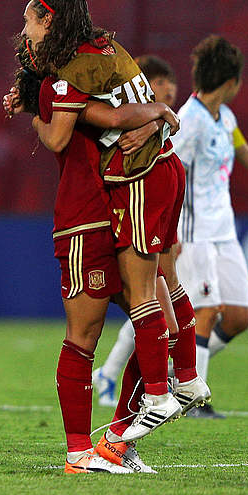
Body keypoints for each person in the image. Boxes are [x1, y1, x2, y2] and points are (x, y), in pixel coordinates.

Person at [18, 0, 206, 443]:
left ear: (48, 22)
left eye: (28, 20)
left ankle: (150, 403)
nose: (23, 31)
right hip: (161, 170)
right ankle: (173, 389)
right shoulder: (106, 47)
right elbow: (121, 112)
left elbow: (61, 136)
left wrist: (32, 111)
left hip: (121, 191)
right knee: (162, 285)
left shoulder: (66, 76)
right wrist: (159, 111)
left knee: (122, 309)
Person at [5, 46, 178, 473]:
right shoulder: (59, 88)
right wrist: (158, 110)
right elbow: (80, 131)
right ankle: (78, 452)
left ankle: (118, 440)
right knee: (83, 334)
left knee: (164, 325)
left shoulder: (79, 80)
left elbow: (118, 117)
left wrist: (156, 114)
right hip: (84, 219)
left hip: (119, 210)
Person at [171, 37, 248, 416]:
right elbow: (169, 170)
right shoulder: (189, 121)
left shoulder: (225, 118)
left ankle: (175, 371)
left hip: (224, 229)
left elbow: (243, 151)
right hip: (193, 231)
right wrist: (171, 230)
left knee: (239, 317)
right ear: (230, 82)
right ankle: (191, 397)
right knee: (207, 309)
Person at [92, 55, 176, 407]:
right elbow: (112, 120)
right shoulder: (85, 97)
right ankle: (161, 389)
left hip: (159, 211)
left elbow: (171, 123)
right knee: (148, 305)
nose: (168, 92)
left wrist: (159, 120)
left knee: (159, 315)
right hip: (117, 209)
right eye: (158, 85)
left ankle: (155, 387)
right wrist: (158, 118)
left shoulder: (155, 120)